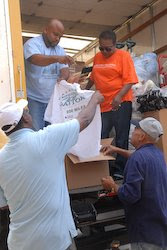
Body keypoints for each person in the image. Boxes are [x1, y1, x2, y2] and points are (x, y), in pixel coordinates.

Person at [0, 91, 104, 250]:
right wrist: (95, 99)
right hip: (54, 240)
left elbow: (3, 204)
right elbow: (84, 119)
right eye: (27, 112)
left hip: (20, 242)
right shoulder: (47, 139)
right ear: (26, 118)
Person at [101, 117, 167, 250]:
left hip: (144, 228)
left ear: (142, 136)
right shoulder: (157, 155)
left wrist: (113, 186)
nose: (133, 131)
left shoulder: (138, 159)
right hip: (158, 225)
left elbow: (130, 195)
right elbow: (139, 158)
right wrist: (117, 150)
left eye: (136, 129)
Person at [86, 30, 138, 178]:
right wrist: (83, 91)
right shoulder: (97, 57)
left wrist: (119, 96)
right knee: (101, 135)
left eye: (108, 48)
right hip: (102, 103)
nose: (105, 51)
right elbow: (93, 77)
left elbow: (130, 80)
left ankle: (120, 170)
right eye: (102, 48)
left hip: (120, 103)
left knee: (121, 137)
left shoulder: (123, 56)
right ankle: (105, 166)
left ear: (115, 45)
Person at [24, 19, 74, 131]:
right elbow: (35, 59)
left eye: (60, 37)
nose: (57, 39)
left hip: (53, 99)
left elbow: (65, 69)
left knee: (52, 132)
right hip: (34, 99)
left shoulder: (60, 50)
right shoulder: (32, 44)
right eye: (55, 34)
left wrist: (63, 78)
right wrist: (57, 59)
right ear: (46, 30)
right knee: (37, 132)